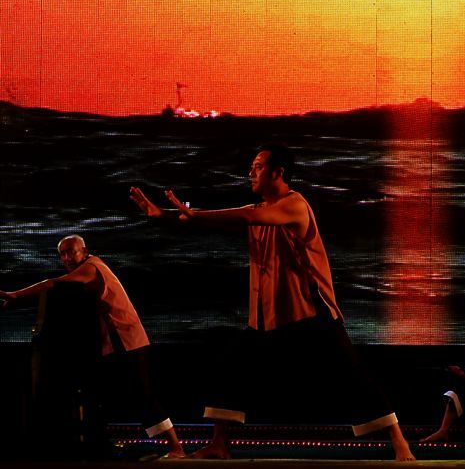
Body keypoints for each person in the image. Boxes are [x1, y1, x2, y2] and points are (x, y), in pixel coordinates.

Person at [129, 143, 415, 461]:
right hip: (268, 317)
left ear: (278, 172)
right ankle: (220, 444)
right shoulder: (261, 208)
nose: (251, 172)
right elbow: (227, 219)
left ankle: (400, 444)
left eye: (258, 166)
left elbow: (249, 216)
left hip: (310, 313)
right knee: (230, 368)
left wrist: (194, 213)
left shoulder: (294, 205)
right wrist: (164, 216)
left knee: (353, 375)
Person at [0, 235, 185, 458]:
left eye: (72, 251)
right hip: (115, 342)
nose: (67, 257)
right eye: (62, 253)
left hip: (127, 339)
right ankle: (99, 441)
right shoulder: (87, 270)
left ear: (85, 251)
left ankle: (176, 447)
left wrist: (16, 295)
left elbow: (53, 284)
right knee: (101, 391)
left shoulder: (92, 267)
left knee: (143, 393)